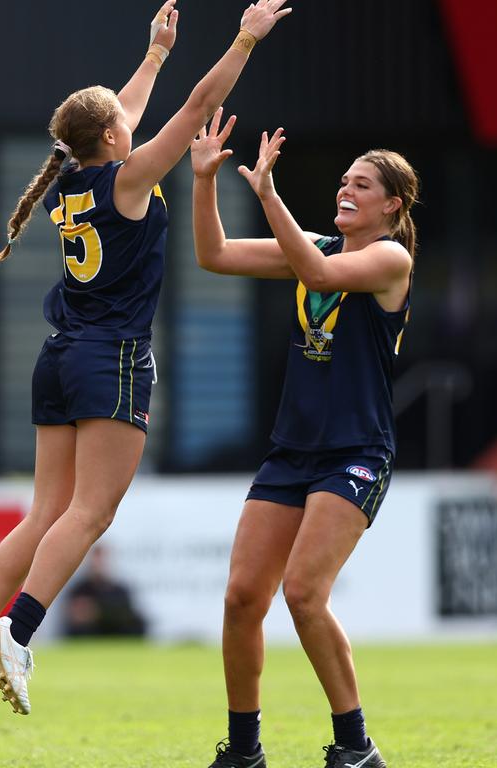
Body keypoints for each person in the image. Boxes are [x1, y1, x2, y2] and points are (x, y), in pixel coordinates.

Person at [0, 0, 295, 720]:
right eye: (122, 125)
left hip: (59, 355)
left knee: (45, 511)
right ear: (111, 137)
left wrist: (156, 54)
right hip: (114, 358)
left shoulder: (67, 183)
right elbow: (199, 105)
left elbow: (122, 110)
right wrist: (244, 40)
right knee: (92, 513)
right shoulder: (127, 181)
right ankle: (19, 634)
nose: (131, 125)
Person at [189, 111, 418, 768]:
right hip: (292, 451)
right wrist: (206, 181)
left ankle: (356, 747)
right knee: (240, 598)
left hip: (355, 452)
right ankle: (243, 751)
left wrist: (266, 193)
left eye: (363, 185)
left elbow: (318, 277)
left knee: (303, 592)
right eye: (344, 180)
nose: (347, 189)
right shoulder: (313, 246)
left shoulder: (389, 258)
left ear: (391, 205)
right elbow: (215, 255)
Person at [64, 545, 147, 638]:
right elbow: (74, 616)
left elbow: (126, 613)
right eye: (96, 560)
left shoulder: (120, 589)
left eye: (101, 560)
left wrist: (95, 611)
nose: (98, 564)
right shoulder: (79, 589)